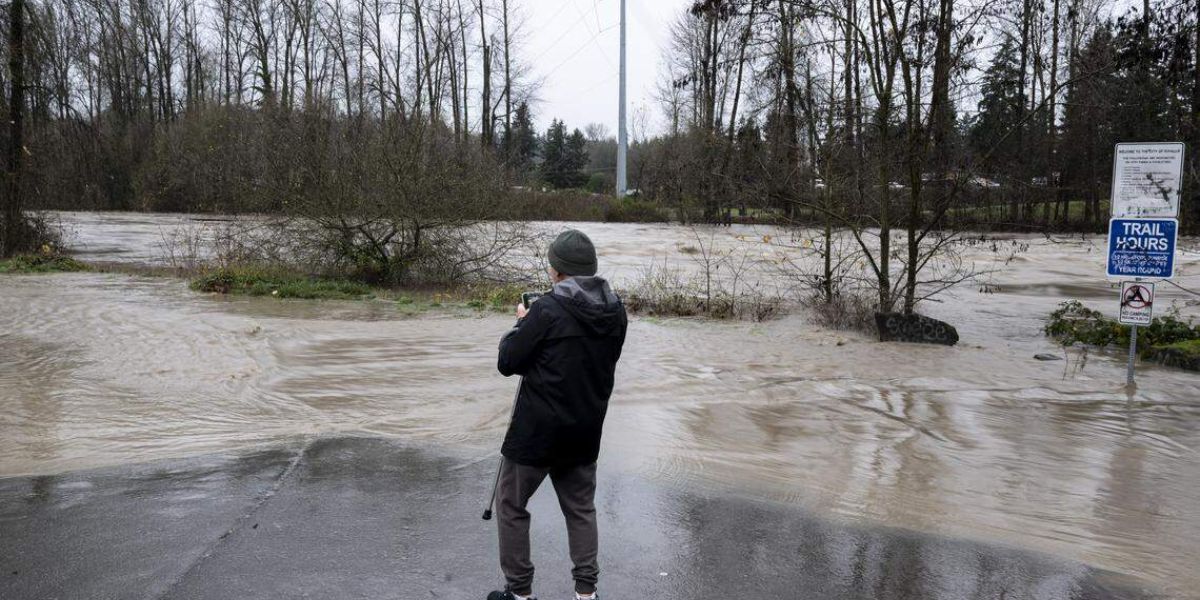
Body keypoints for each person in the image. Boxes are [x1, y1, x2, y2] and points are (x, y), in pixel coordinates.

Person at [488, 229, 628, 600]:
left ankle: (519, 593)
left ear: (557, 270)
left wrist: (522, 321)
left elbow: (508, 362)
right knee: (581, 509)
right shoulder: (616, 312)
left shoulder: (547, 310)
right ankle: (586, 594)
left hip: (536, 431)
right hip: (585, 429)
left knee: (511, 505)